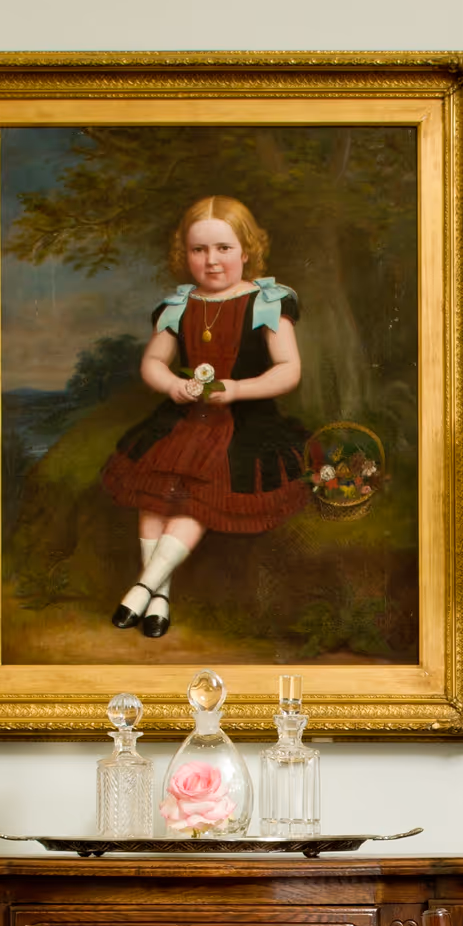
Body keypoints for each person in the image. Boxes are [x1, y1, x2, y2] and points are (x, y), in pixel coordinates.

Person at [101, 196, 310, 636]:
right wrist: (173, 385)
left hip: (245, 422)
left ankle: (140, 588)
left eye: (223, 249)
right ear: (186, 255)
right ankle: (160, 596)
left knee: (199, 492)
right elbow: (153, 363)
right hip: (186, 417)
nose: (211, 261)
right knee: (156, 492)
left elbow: (289, 370)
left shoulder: (267, 301)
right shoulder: (178, 305)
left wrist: (238, 389)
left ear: (246, 250)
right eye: (199, 251)